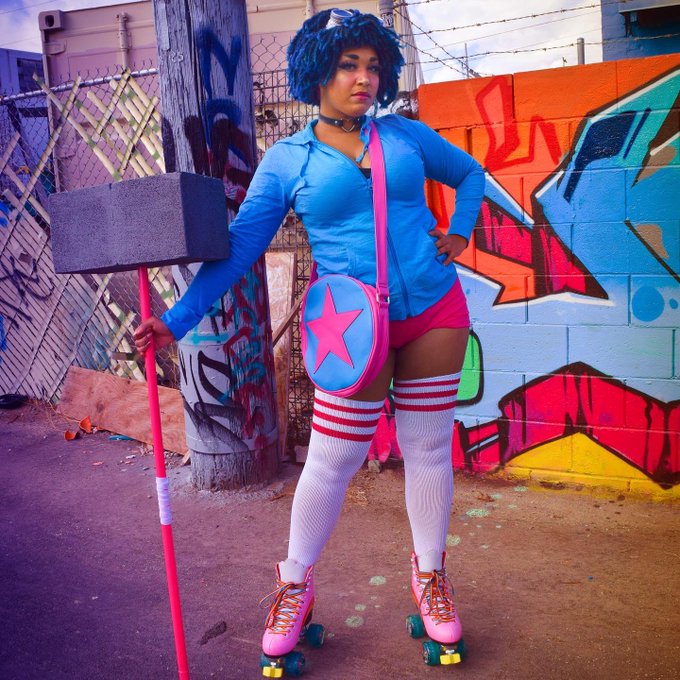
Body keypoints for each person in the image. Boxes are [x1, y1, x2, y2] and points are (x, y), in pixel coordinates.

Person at [134, 7, 485, 669]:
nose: (364, 78)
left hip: (436, 311)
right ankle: (294, 583)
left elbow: (471, 175)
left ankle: (430, 576)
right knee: (331, 459)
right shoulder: (287, 160)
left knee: (429, 450)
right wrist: (175, 320)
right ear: (318, 71)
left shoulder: (406, 135)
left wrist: (460, 233)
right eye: (348, 64)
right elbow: (239, 251)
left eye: (373, 65)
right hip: (351, 330)